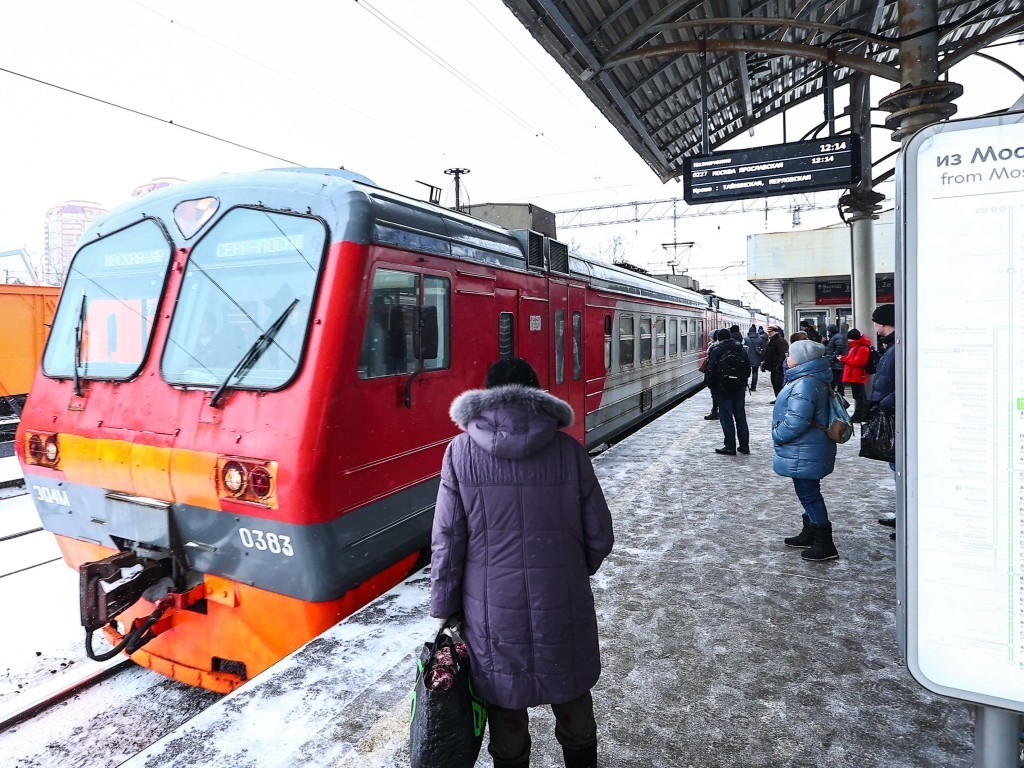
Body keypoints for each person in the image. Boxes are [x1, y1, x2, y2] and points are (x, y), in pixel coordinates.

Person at [430, 358, 614, 768]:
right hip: (560, 600)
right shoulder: (569, 451)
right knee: (570, 694)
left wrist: (444, 606)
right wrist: (571, 569)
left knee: (504, 701)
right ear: (538, 395)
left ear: (484, 397)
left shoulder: (459, 453)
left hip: (490, 608)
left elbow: (447, 540)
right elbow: (601, 534)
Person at [772, 340, 839, 561]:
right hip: (809, 447)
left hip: (805, 448)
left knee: (810, 495)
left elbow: (797, 421)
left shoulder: (805, 383)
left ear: (802, 359)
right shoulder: (812, 378)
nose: (786, 358)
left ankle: (824, 543)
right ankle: (810, 532)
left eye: (790, 355)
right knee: (807, 492)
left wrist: (777, 434)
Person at [869, 303, 898, 533]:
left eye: (875, 321)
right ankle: (903, 513)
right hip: (891, 411)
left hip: (894, 413)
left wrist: (885, 403)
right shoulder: (892, 346)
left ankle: (906, 517)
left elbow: (905, 382)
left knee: (899, 467)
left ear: (883, 322)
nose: (874, 325)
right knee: (895, 465)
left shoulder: (898, 347)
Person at [707, 328, 751, 455]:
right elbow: (748, 368)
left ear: (719, 338)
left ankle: (730, 446)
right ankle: (744, 446)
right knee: (741, 418)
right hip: (738, 390)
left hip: (723, 390)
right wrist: (741, 382)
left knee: (726, 419)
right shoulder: (741, 349)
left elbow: (711, 370)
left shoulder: (717, 350)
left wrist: (713, 387)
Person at [838, 329, 871, 421]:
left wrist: (843, 359)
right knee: (859, 396)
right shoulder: (858, 347)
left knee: (859, 396)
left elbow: (858, 362)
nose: (848, 341)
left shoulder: (861, 348)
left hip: (857, 375)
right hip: (855, 375)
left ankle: (859, 415)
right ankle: (860, 415)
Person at [761, 325, 789, 401]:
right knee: (775, 384)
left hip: (777, 367)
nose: (769, 333)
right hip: (773, 367)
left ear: (775, 332)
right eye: (768, 332)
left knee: (778, 384)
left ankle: (780, 399)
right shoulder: (772, 340)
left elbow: (782, 354)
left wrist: (779, 365)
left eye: (771, 332)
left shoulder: (779, 340)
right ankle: (778, 398)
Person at [703, 329, 724, 420]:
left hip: (716, 377)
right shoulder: (732, 347)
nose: (710, 339)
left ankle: (715, 412)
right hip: (723, 376)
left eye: (711, 337)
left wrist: (709, 380)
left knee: (715, 395)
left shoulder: (715, 349)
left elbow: (711, 366)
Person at [824, 324, 849, 396]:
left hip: (836, 362)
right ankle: (837, 393)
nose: (828, 332)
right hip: (836, 362)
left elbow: (839, 348)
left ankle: (838, 394)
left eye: (829, 331)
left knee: (837, 379)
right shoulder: (836, 337)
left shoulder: (837, 337)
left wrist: (833, 358)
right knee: (837, 379)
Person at [743, 324, 763, 391]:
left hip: (747, 358)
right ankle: (753, 387)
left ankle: (745, 386)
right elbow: (762, 349)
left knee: (745, 372)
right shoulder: (759, 339)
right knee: (755, 372)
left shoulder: (746, 339)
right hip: (756, 358)